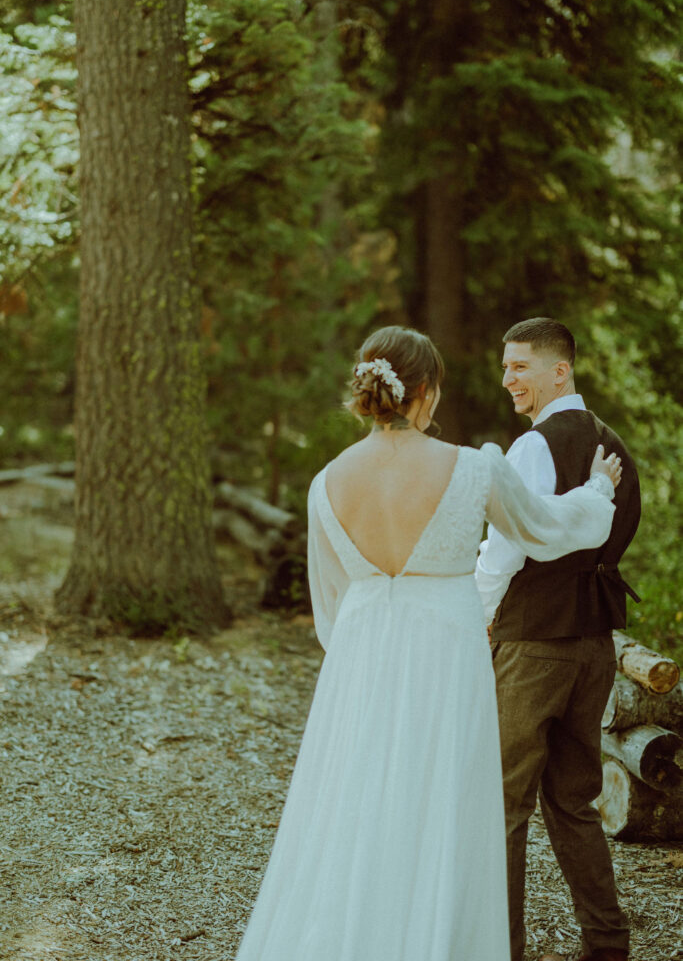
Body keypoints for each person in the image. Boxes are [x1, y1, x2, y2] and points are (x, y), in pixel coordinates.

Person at [234, 325, 622, 961]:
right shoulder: (474, 468)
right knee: (446, 806)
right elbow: (546, 529)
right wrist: (598, 488)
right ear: (426, 393)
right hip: (446, 654)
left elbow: (328, 600)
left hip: (359, 659)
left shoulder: (326, 482)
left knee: (358, 802)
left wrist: (363, 651)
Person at [475, 318, 640, 961]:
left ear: (559, 371)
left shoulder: (532, 448)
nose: (508, 378)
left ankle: (500, 947)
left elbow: (505, 550)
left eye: (519, 366)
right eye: (506, 365)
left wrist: (477, 614)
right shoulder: (615, 447)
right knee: (574, 799)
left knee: (504, 803)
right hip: (594, 644)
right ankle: (607, 942)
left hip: (532, 644)